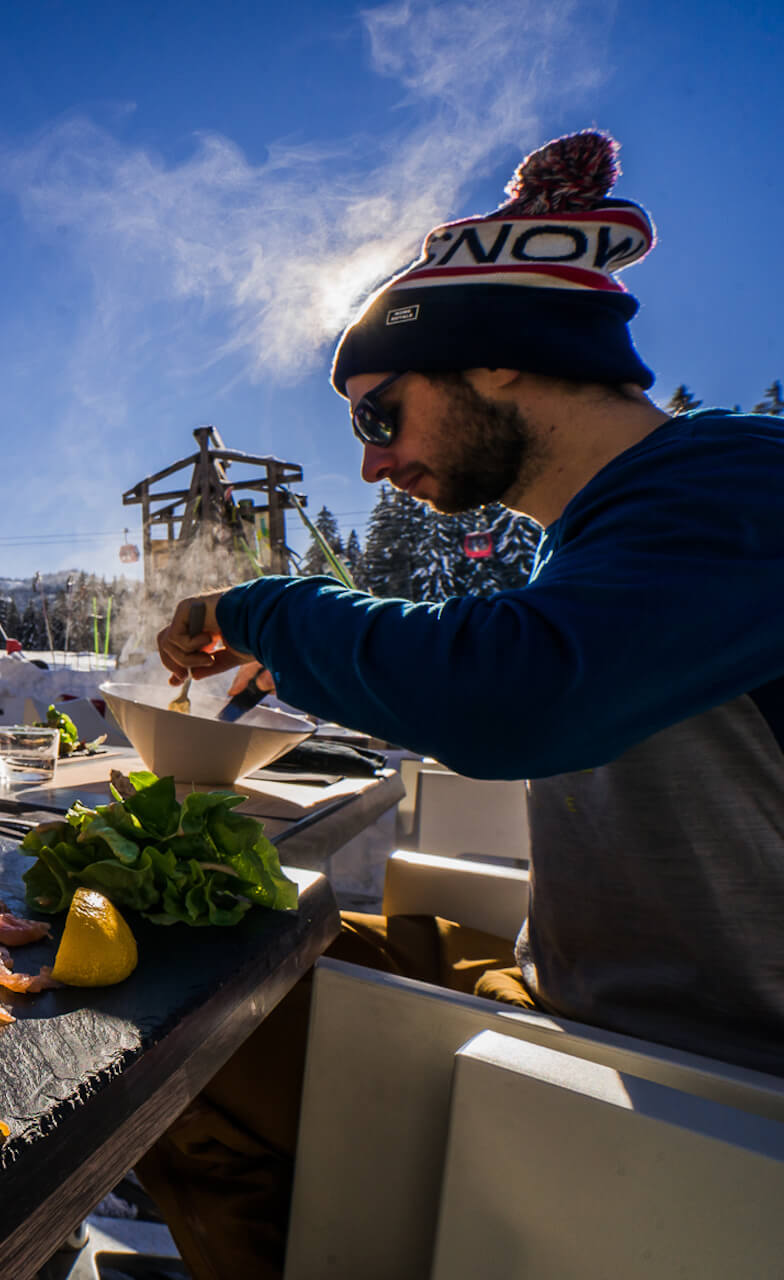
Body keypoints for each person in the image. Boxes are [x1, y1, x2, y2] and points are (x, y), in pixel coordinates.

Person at [143, 130, 784, 1279]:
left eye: (378, 416)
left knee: (177, 1035)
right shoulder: (611, 541)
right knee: (200, 954)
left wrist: (274, 612)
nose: (372, 467)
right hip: (574, 990)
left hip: (691, 1083)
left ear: (496, 360)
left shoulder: (746, 485)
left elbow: (516, 693)